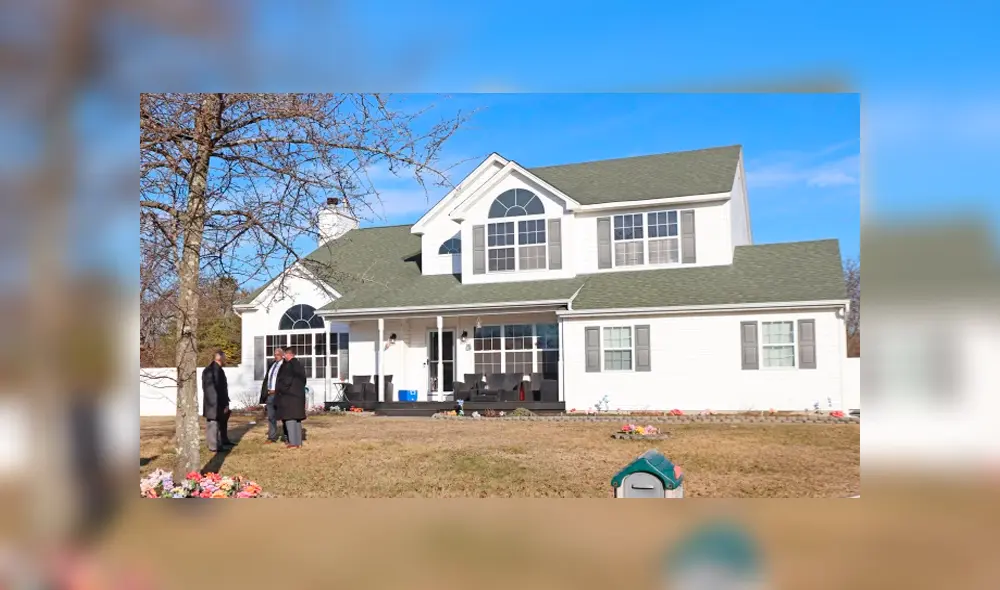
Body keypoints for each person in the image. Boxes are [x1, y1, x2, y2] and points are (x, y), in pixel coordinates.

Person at [275, 347, 307, 448]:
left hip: (289, 397)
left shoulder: (288, 366)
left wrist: (280, 389)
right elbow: (304, 381)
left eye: (284, 355)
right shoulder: (300, 365)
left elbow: (286, 381)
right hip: (299, 397)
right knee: (297, 420)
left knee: (290, 419)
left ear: (288, 355)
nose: (283, 357)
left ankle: (293, 442)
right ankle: (298, 442)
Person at [202, 350, 231, 452]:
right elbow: (213, 390)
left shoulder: (218, 370)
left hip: (218, 402)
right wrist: (220, 404)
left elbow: (223, 388)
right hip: (213, 403)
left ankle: (222, 441)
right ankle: (213, 446)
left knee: (220, 423)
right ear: (220, 358)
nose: (225, 360)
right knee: (213, 424)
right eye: (224, 358)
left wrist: (226, 402)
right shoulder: (210, 370)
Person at [258, 347, 288, 444]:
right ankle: (272, 437)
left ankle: (287, 437)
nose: (276, 356)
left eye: (278, 354)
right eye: (275, 354)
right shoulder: (272, 365)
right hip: (270, 394)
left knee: (284, 416)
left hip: (279, 394)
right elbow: (267, 379)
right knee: (271, 416)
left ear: (282, 355)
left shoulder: (285, 365)